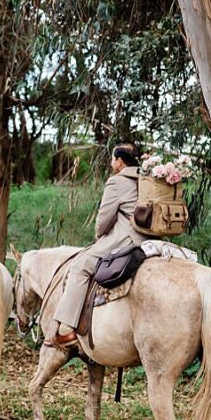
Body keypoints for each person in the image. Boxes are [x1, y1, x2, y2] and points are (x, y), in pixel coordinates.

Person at [49, 143, 149, 348]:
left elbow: (104, 218)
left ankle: (68, 329)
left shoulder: (117, 182)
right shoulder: (148, 178)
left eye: (113, 159)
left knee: (80, 267)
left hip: (125, 240)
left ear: (120, 162)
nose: (112, 163)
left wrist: (99, 236)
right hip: (150, 240)